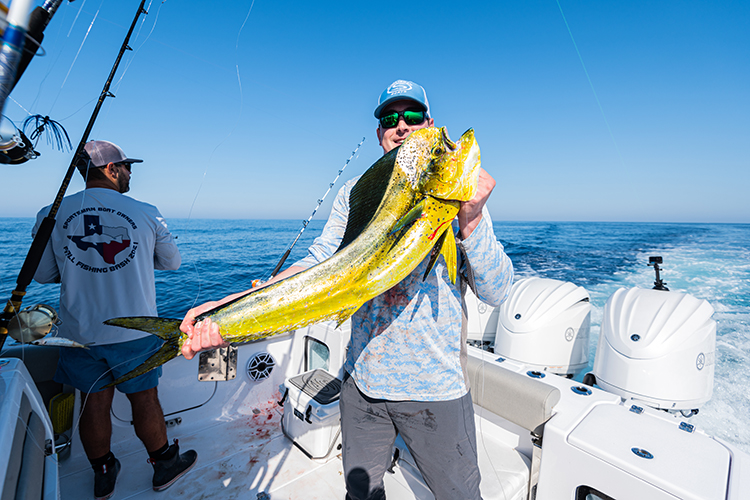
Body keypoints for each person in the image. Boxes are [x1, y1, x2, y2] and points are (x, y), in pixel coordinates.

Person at [179, 80, 514, 499]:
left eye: (412, 116)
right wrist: (226, 308)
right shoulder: (355, 191)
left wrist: (471, 221)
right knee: (361, 495)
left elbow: (497, 291)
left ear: (428, 123)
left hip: (435, 391)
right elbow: (322, 261)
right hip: (361, 385)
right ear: (379, 133)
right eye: (390, 119)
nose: (401, 126)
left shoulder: (463, 200)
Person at [33, 140, 197, 500]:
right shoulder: (146, 212)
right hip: (133, 333)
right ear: (111, 169)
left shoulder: (52, 212)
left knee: (93, 402)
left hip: (77, 333)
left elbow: (44, 275)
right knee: (144, 399)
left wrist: (82, 267)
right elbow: (172, 263)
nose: (130, 173)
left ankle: (104, 474)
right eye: (126, 167)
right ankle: (164, 465)